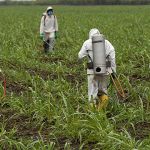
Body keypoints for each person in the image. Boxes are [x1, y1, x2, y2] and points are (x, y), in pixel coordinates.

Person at [78, 28, 116, 110]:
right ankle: (101, 111)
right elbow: (112, 57)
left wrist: (88, 55)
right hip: (105, 71)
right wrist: (113, 71)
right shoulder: (107, 42)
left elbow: (80, 56)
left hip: (92, 72)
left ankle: (94, 113)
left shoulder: (87, 43)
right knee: (103, 91)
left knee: (92, 93)